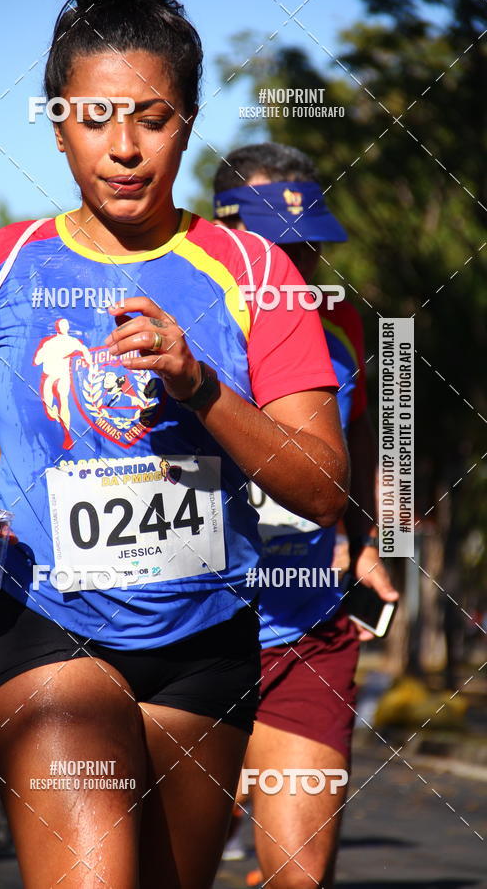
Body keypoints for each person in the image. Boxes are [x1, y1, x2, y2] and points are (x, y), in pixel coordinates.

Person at [0, 0, 349, 886]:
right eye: (95, 118)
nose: (125, 147)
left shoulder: (256, 274)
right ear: (59, 126)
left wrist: (202, 385)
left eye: (153, 118)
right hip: (40, 617)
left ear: (186, 124)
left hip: (203, 636)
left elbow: (323, 487)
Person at [213, 143, 399, 887]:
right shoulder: (177, 319)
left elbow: (359, 441)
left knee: (299, 874)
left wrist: (364, 541)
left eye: (311, 242)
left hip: (307, 632)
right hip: (187, 630)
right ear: (227, 235)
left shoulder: (344, 324)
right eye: (278, 246)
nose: (300, 261)